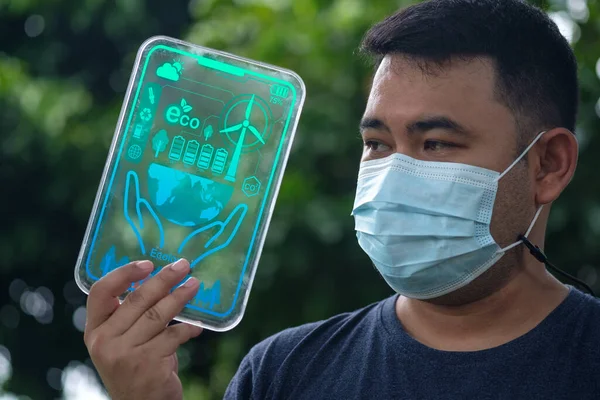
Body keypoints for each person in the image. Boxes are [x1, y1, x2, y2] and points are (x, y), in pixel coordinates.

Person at [83, 0, 600, 399]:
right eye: (377, 143)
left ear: (548, 165)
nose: (394, 171)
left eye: (436, 142)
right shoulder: (282, 374)